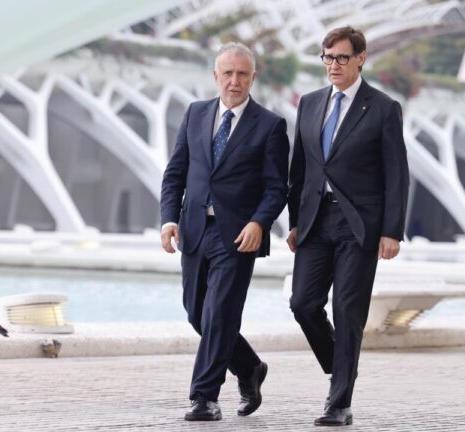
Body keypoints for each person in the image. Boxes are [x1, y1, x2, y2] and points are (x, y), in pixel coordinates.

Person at [160, 42, 290, 421]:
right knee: (196, 313)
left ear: (253, 77)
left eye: (242, 74)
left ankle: (204, 396)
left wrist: (259, 222)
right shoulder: (196, 113)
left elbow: (276, 187)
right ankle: (249, 366)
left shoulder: (270, 125)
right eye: (228, 73)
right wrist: (169, 219)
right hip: (194, 229)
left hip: (238, 235)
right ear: (216, 76)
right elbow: (176, 173)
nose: (234, 81)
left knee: (219, 313)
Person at [287, 26, 408, 426]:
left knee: (347, 311)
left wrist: (392, 231)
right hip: (315, 222)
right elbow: (300, 171)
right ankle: (343, 366)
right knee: (303, 304)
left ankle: (339, 403)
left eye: (340, 57)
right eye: (327, 57)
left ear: (360, 58)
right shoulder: (309, 103)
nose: (333, 65)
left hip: (359, 224)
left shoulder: (383, 108)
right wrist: (294, 223)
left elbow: (396, 175)